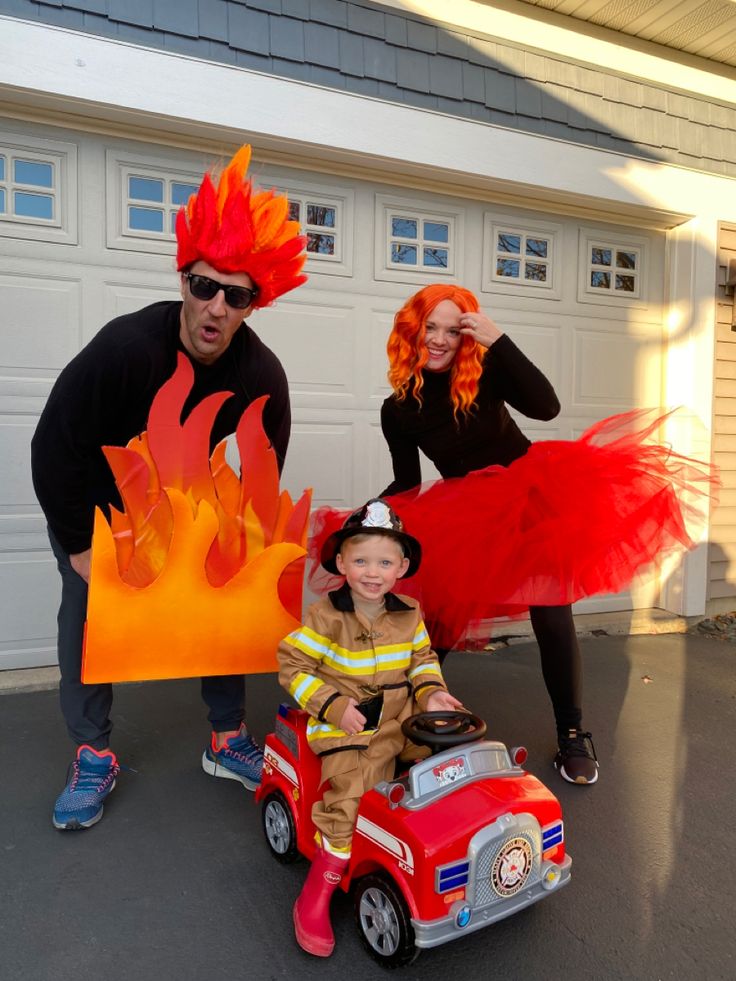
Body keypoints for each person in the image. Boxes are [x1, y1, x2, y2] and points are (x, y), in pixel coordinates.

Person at [31, 145, 307, 831]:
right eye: (203, 285)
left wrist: (246, 545)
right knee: (91, 618)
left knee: (225, 595)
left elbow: (264, 469)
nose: (215, 305)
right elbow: (54, 446)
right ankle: (94, 753)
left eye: (235, 294)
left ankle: (225, 738)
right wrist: (76, 549)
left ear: (253, 302)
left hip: (185, 495)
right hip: (96, 500)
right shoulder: (126, 349)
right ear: (183, 278)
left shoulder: (263, 375)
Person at [378, 284, 588, 786]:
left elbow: (548, 408)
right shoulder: (397, 409)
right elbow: (406, 484)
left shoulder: (485, 372)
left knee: (552, 614)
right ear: (413, 328)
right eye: (431, 327)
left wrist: (497, 340)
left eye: (454, 330)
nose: (440, 340)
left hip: (527, 500)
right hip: (468, 513)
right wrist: (367, 514)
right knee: (440, 619)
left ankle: (573, 734)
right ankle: (402, 726)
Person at [278, 498, 463, 957]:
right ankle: (315, 896)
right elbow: (292, 666)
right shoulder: (326, 615)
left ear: (401, 567)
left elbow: (422, 661)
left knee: (449, 764)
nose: (372, 572)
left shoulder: (409, 612)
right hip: (349, 729)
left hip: (402, 719)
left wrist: (432, 694)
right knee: (351, 796)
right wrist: (333, 705)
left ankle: (439, 851)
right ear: (342, 563)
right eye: (360, 560)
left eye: (384, 562)